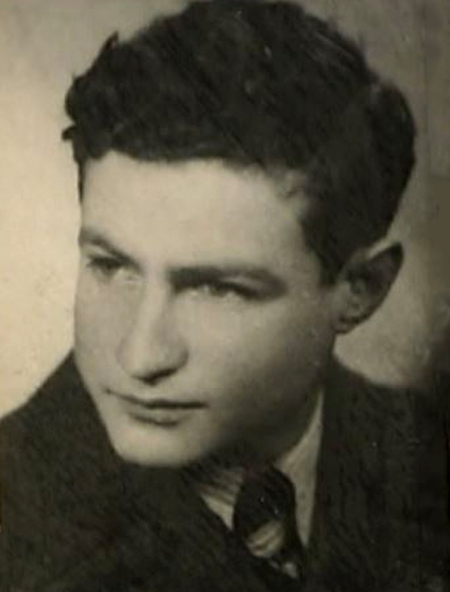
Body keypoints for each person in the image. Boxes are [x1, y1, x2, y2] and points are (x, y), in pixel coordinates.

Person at [1, 2, 448, 591]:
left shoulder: (425, 453)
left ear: (360, 290)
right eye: (111, 267)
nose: (140, 356)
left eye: (217, 289)